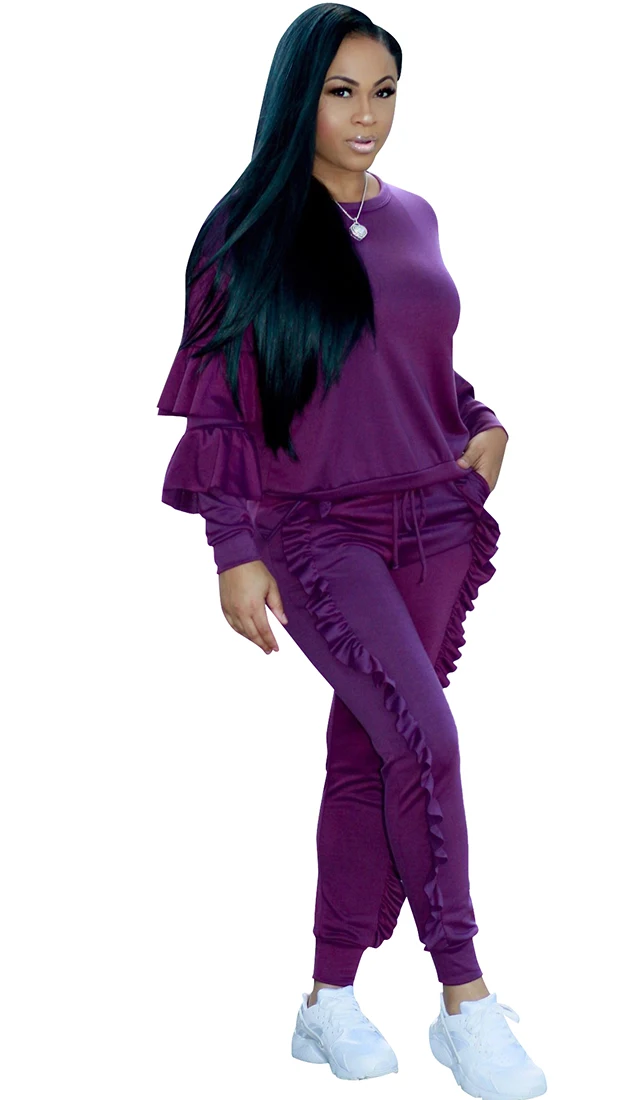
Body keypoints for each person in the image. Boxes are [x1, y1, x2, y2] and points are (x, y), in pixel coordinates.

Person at [156, 6, 546, 1098]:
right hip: (317, 530)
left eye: (383, 91)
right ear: (300, 97)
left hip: (432, 516)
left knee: (373, 751)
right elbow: (219, 406)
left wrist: (483, 423)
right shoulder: (247, 233)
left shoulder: (414, 214)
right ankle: (465, 998)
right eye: (341, 92)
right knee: (426, 738)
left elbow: (413, 362)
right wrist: (232, 546)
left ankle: (327, 998)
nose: (366, 115)